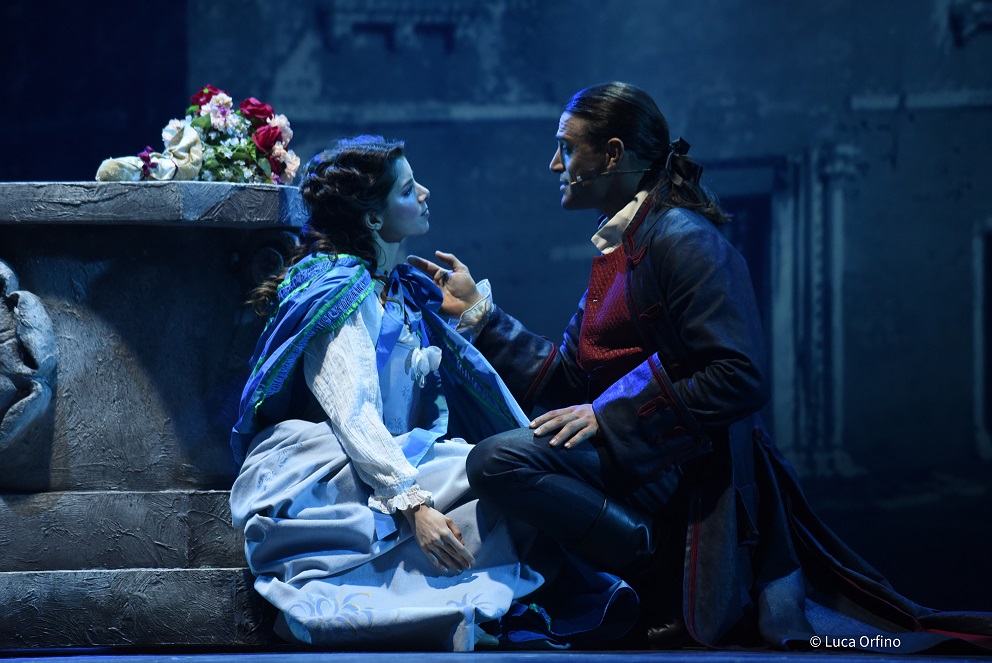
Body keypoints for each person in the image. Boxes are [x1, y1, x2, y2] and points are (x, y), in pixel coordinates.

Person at [409, 82, 992, 653]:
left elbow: (739, 373)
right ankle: (634, 573)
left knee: (496, 461)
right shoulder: (625, 246)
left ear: (612, 154)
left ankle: (655, 565)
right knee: (495, 457)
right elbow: (571, 378)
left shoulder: (683, 239)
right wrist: (482, 315)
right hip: (637, 453)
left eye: (567, 147)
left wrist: (611, 415)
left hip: (680, 466)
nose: (554, 164)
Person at [228, 135, 636, 651]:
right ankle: (608, 558)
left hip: (396, 452)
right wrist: (414, 507)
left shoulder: (396, 288)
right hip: (337, 463)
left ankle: (606, 558)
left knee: (503, 474)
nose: (423, 193)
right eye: (406, 190)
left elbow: (450, 376)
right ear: (372, 218)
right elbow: (353, 412)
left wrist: (471, 312)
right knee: (495, 476)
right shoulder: (341, 292)